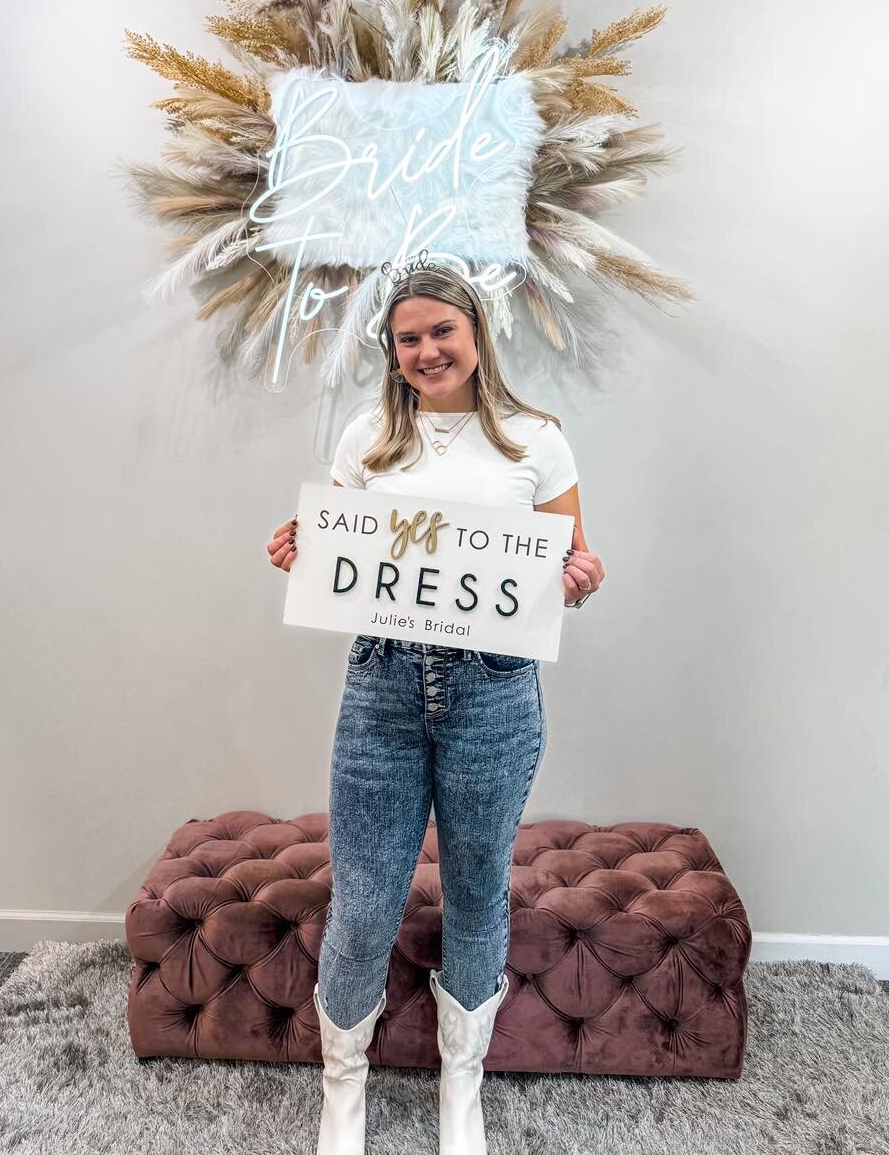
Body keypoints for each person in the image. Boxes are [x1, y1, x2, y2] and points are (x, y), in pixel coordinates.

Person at [267, 258, 604, 1155]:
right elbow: (337, 557)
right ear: (392, 347)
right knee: (366, 897)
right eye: (407, 336)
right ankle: (344, 1084)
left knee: (477, 889)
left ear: (477, 333)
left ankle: (464, 1086)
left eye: (440, 331)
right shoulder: (368, 435)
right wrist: (299, 546)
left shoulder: (538, 439)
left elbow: (568, 568)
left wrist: (579, 578)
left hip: (493, 689)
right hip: (381, 684)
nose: (425, 349)